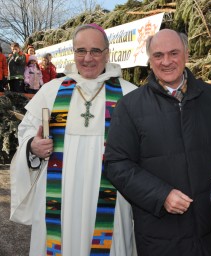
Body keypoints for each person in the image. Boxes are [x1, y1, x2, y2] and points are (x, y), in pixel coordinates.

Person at [10, 23, 138, 256]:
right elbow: (26, 131)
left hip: (110, 201)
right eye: (81, 50)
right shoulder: (52, 91)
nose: (87, 58)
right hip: (59, 199)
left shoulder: (130, 95)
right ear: (74, 52)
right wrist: (33, 146)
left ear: (107, 53)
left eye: (95, 51)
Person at [104, 29, 211, 256]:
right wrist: (161, 195)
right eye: (158, 55)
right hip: (160, 234)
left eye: (174, 53)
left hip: (208, 233)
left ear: (186, 54)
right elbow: (117, 164)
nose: (166, 62)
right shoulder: (129, 106)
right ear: (149, 61)